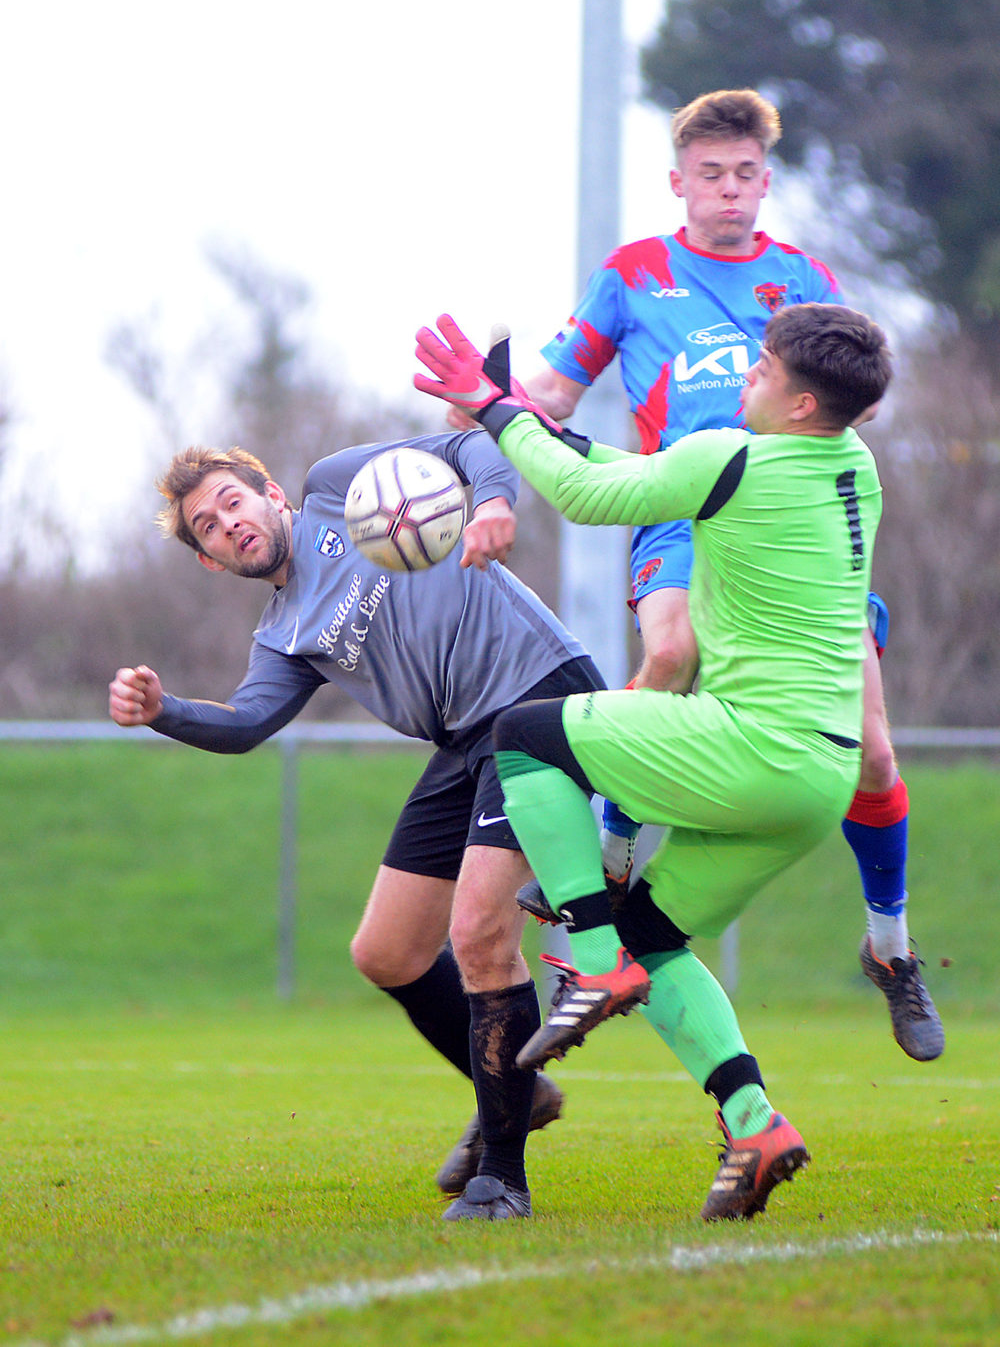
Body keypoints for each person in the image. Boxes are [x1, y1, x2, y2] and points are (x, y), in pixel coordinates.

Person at [416, 301, 898, 1220]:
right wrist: (535, 421)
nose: (747, 376)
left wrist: (492, 409)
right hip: (818, 780)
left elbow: (593, 497)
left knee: (525, 736)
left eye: (763, 369)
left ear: (801, 404)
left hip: (751, 746)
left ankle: (592, 959)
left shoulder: (734, 460)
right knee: (659, 935)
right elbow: (638, 473)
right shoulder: (852, 465)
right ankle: (754, 1122)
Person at [510, 87, 941, 1061]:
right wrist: (486, 444)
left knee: (872, 753)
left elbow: (851, 395)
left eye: (747, 174)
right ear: (678, 182)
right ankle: (615, 856)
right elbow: (546, 391)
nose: (730, 193)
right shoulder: (632, 275)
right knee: (669, 648)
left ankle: (891, 950)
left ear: (766, 180)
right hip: (679, 507)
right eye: (711, 175)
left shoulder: (801, 277)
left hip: (791, 528)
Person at [108, 430, 609, 1223]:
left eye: (232, 500)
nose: (227, 522)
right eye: (207, 525)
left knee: (480, 934)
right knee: (386, 950)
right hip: (463, 740)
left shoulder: (340, 488)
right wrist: (162, 710)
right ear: (210, 560)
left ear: (272, 495)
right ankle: (518, 1089)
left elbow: (473, 443)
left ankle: (502, 1180)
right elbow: (245, 722)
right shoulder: (282, 633)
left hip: (536, 696)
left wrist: (494, 504)